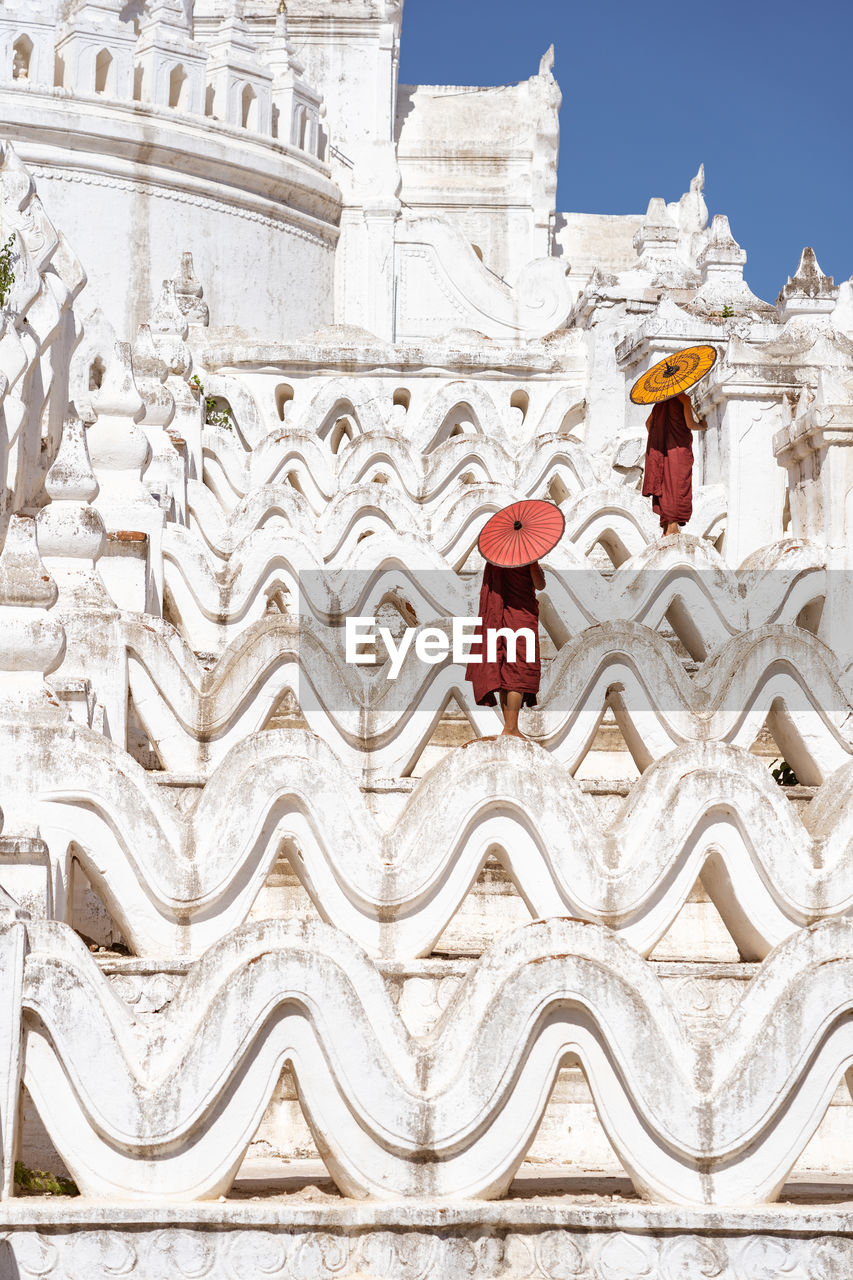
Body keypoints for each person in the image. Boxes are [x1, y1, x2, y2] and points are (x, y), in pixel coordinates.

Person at [465, 559, 545, 738]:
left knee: (504, 671)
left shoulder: (496, 558)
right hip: (522, 617)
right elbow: (540, 584)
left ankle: (509, 726)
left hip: (499, 616)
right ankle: (511, 727)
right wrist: (533, 564)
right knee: (518, 672)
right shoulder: (527, 555)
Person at [642, 390, 706, 536]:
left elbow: (648, 423)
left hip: (663, 451)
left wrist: (660, 436)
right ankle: (672, 529)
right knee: (678, 486)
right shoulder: (684, 398)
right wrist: (702, 425)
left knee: (665, 486)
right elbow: (690, 424)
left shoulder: (661, 401)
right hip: (679, 450)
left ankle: (666, 529)